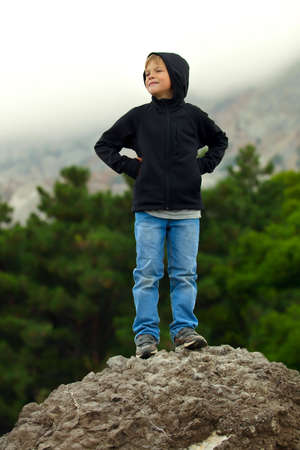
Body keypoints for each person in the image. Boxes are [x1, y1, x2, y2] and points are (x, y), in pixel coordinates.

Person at [94, 52, 228, 359]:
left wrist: (202, 166)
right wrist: (131, 167)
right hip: (149, 210)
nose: (149, 75)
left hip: (187, 211)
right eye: (146, 72)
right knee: (147, 273)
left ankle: (184, 331)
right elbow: (105, 144)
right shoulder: (138, 117)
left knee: (184, 274)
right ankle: (145, 337)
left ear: (177, 76)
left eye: (157, 70)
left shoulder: (194, 116)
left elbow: (220, 140)